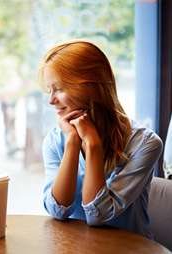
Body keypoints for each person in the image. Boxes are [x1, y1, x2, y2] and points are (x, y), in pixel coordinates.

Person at [39, 40, 163, 238]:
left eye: (60, 89)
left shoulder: (145, 144)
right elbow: (57, 210)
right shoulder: (56, 140)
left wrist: (92, 145)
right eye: (49, 90)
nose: (51, 100)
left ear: (91, 88)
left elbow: (99, 215)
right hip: (73, 249)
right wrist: (72, 142)